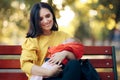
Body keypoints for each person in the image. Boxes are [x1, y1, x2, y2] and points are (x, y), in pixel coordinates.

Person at [20, 2, 82, 80]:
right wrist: (49, 72)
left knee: (74, 64)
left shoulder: (64, 36)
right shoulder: (31, 40)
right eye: (40, 19)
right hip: (44, 77)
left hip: (64, 76)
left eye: (48, 16)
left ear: (52, 15)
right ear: (35, 21)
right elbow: (25, 65)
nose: (46, 21)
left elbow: (76, 58)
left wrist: (65, 53)